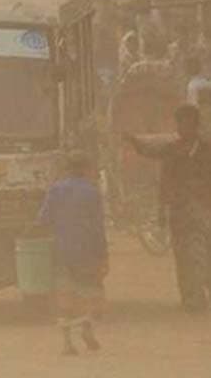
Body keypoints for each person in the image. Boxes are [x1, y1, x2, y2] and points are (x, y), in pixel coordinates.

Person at [124, 104, 211, 312]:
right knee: (184, 258)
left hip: (205, 209)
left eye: (187, 122)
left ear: (195, 124)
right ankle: (193, 299)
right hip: (180, 212)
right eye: (179, 122)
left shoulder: (207, 148)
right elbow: (151, 153)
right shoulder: (172, 149)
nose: (182, 127)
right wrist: (132, 140)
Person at [37, 151, 109, 356]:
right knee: (89, 293)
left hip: (62, 251)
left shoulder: (56, 189)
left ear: (67, 169)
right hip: (87, 252)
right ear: (86, 169)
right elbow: (98, 227)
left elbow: (43, 219)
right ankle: (87, 328)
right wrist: (103, 254)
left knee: (65, 296)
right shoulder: (92, 192)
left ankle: (67, 343)